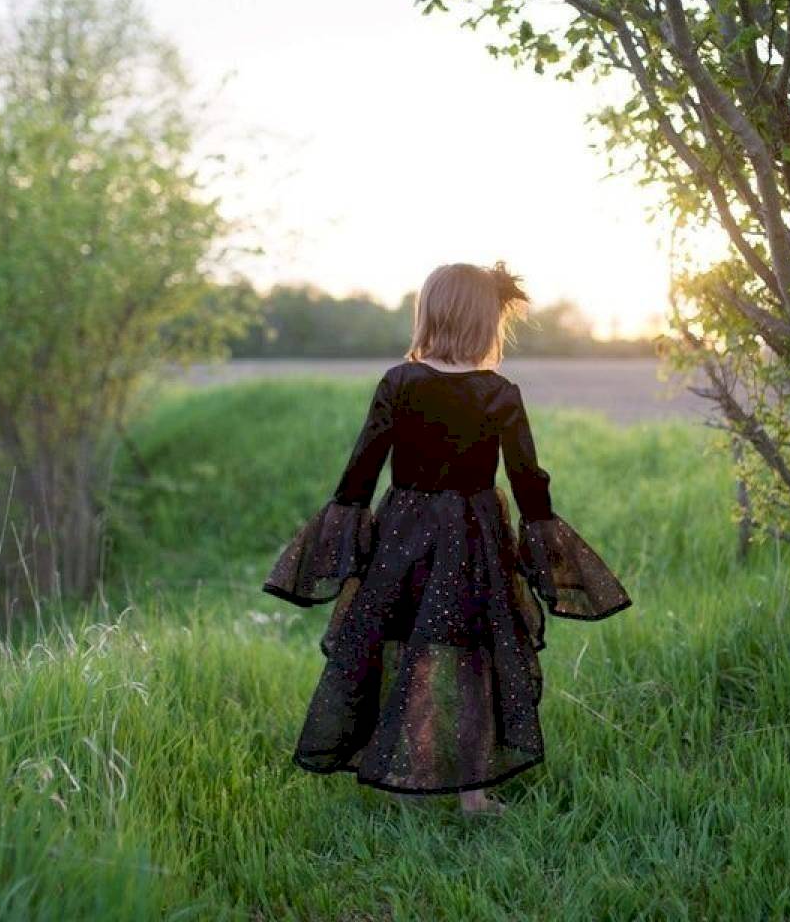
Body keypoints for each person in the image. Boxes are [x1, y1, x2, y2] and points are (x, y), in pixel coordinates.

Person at [261, 260, 632, 817]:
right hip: (474, 540)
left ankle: (397, 773)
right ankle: (471, 795)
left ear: (430, 314)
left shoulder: (400, 382)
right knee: (474, 657)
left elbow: (362, 466)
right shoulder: (498, 392)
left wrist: (344, 534)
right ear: (486, 323)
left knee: (397, 644)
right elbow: (528, 478)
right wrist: (545, 545)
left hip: (403, 537)